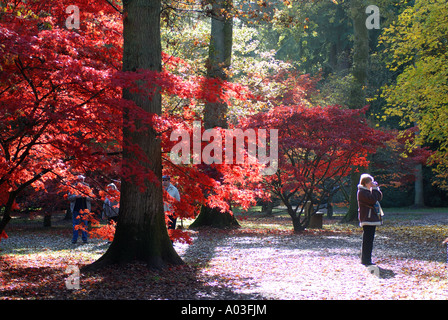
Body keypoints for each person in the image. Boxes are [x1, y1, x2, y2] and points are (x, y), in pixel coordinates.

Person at [357, 173, 383, 266]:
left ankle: (367, 259)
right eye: (370, 182)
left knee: (369, 240)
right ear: (366, 183)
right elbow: (372, 200)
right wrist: (374, 189)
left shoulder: (368, 191)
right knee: (367, 240)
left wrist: (376, 189)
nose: (372, 184)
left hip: (371, 218)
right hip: (367, 218)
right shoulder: (362, 192)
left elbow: (378, 198)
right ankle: (365, 259)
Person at [68, 175, 91, 244]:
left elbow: (91, 197)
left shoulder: (87, 187)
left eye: (82, 179)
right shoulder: (73, 187)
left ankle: (85, 239)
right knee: (75, 225)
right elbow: (69, 198)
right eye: (80, 179)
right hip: (76, 209)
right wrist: (76, 196)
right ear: (77, 180)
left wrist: (86, 196)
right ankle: (74, 239)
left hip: (85, 209)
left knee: (85, 224)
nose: (81, 181)